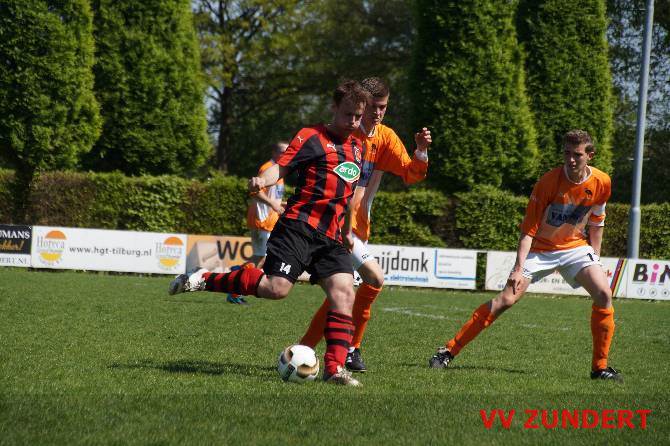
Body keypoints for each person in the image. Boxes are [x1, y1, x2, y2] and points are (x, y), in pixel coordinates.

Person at [168, 80, 370, 386]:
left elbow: (346, 196)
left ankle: (334, 369)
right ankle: (204, 278)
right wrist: (263, 181)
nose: (352, 121)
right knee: (276, 289)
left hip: (330, 238)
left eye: (357, 116)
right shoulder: (311, 136)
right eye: (347, 114)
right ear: (333, 108)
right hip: (298, 228)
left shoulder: (358, 147)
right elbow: (281, 167)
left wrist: (345, 231)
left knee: (344, 293)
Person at [428, 130, 621, 381]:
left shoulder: (602, 182)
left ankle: (600, 368)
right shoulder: (548, 182)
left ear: (590, 155)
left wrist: (595, 258)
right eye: (567, 153)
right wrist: (518, 269)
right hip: (540, 250)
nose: (571, 160)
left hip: (575, 248)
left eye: (577, 155)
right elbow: (528, 230)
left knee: (604, 294)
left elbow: (597, 221)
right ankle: (447, 351)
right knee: (506, 300)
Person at [298, 77, 432, 372]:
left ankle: (306, 347)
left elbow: (411, 174)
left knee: (341, 293)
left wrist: (421, 150)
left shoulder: (385, 137)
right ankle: (351, 349)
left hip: (359, 227)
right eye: (373, 107)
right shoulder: (345, 133)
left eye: (383, 107)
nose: (378, 112)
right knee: (374, 278)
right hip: (335, 226)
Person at [226, 142, 288, 305]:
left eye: (288, 151)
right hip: (263, 220)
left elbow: (272, 197)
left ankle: (237, 274)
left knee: (260, 257)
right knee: (261, 258)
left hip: (267, 220)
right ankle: (235, 282)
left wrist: (281, 204)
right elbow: (255, 192)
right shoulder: (267, 168)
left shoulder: (279, 170)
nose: (287, 153)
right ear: (274, 152)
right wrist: (273, 204)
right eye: (283, 151)